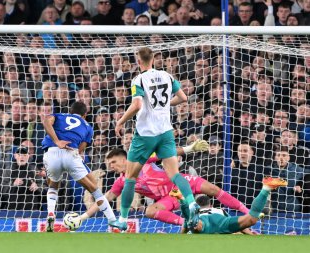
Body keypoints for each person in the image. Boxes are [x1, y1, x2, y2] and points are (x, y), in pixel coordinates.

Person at [114, 47, 198, 231]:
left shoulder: (138, 79)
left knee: (129, 177)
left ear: (138, 60)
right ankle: (192, 204)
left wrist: (120, 121)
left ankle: (122, 219)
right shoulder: (167, 76)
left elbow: (136, 105)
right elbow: (183, 97)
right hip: (166, 132)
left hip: (145, 134)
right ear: (153, 59)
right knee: (175, 174)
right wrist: (166, 105)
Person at [76, 146, 249, 226]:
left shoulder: (142, 160)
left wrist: (190, 148)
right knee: (150, 211)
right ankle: (188, 224)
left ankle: (247, 212)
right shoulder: (121, 181)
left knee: (213, 189)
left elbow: (168, 153)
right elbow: (104, 200)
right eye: (109, 163)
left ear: (124, 158)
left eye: (113, 162)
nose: (111, 166)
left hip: (181, 182)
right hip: (169, 197)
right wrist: (83, 217)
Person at [42, 101, 120, 232]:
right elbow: (80, 149)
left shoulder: (59, 115)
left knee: (53, 185)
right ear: (85, 114)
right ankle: (113, 221)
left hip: (51, 152)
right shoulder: (87, 126)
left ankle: (50, 214)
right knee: (94, 189)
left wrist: (57, 141)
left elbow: (46, 120)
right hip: (71, 154)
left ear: (70, 111)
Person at [170, 177, 288, 234]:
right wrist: (251, 235)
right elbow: (240, 226)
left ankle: (182, 200)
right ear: (210, 204)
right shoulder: (219, 209)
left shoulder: (199, 214)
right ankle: (266, 189)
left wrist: (182, 236)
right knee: (251, 219)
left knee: (194, 225)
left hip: (204, 222)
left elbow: (185, 226)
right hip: (222, 222)